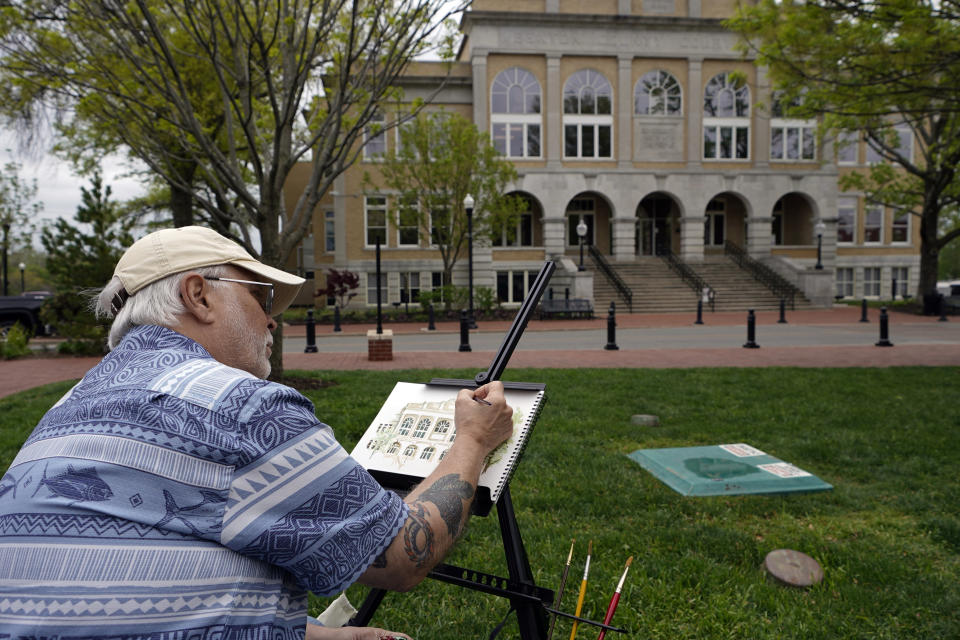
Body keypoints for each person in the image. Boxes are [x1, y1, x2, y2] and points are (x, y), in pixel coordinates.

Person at [0, 226, 514, 638]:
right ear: (198, 295)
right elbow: (403, 554)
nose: (272, 321)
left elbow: (131, 587)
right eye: (260, 295)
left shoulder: (69, 404)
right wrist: (471, 439)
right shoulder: (238, 406)